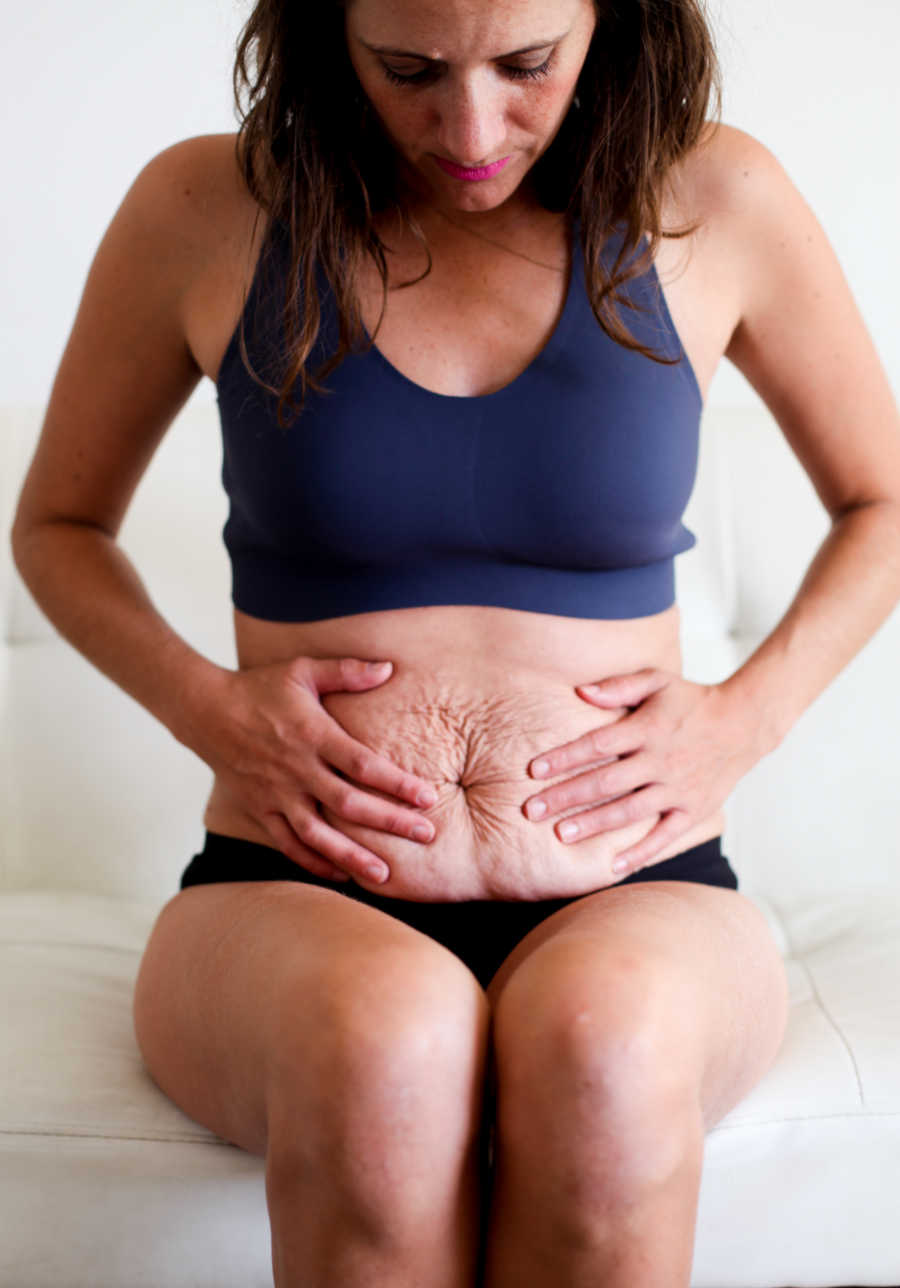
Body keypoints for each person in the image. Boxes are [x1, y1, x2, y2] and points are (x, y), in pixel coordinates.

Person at [11, 0, 900, 1282]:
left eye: (527, 65)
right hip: (291, 884)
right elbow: (59, 523)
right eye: (410, 71)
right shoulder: (206, 207)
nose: (471, 128)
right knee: (383, 1042)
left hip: (638, 885)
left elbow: (881, 500)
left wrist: (743, 717)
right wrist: (207, 706)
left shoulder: (716, 195)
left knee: (608, 1048)